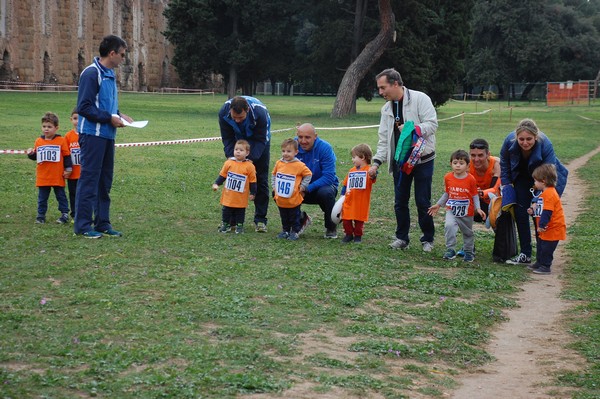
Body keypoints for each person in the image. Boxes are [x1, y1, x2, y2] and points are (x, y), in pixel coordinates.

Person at [369, 68, 438, 252]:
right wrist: (376, 163)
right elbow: (384, 138)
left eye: (383, 88)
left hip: (422, 159)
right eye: (379, 88)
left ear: (396, 84)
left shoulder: (420, 99)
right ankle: (402, 238)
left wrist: (411, 129)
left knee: (423, 201)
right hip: (400, 162)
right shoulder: (386, 109)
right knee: (400, 201)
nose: (381, 92)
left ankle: (427, 239)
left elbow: (432, 124)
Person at [74, 34, 133, 239]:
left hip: (108, 136)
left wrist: (120, 114)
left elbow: (106, 104)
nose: (123, 59)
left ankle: (102, 223)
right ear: (112, 53)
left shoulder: (109, 74)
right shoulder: (91, 74)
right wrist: (110, 117)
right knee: (89, 179)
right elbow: (84, 107)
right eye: (122, 55)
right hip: (92, 136)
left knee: (104, 181)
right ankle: (82, 225)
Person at [500, 118, 568, 265]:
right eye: (521, 139)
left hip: (542, 180)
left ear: (535, 137)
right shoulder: (509, 141)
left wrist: (539, 196)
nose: (525, 143)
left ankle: (542, 254)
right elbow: (504, 162)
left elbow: (550, 170)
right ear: (516, 137)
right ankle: (525, 253)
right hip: (521, 178)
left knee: (538, 214)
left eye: (529, 139)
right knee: (520, 213)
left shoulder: (545, 144)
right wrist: (506, 184)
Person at [218, 96, 271, 233]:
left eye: (240, 118)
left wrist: (250, 160)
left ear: (247, 110)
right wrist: (233, 159)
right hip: (238, 140)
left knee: (261, 179)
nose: (237, 120)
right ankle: (232, 220)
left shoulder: (260, 113)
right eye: (234, 117)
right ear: (230, 110)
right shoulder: (223, 112)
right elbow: (227, 138)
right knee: (235, 177)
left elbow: (261, 140)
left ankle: (260, 220)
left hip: (259, 141)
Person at [428, 150, 486, 263]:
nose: (458, 165)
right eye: (455, 163)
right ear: (451, 164)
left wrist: (478, 208)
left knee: (467, 232)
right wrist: (438, 204)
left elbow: (474, 195)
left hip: (466, 211)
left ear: (468, 166)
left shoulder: (471, 179)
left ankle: (469, 252)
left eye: (461, 163)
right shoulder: (448, 177)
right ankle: (450, 249)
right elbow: (447, 193)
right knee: (449, 226)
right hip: (451, 209)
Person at [295, 123, 340, 238]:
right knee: (278, 192)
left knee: (326, 193)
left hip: (321, 187)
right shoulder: (293, 146)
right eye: (300, 137)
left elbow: (329, 177)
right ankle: (300, 219)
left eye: (307, 137)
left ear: (315, 136)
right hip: (300, 187)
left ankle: (331, 227)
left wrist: (308, 188)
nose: (303, 141)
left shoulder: (325, 148)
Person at [26, 112, 72, 224]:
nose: (46, 129)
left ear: (56, 128)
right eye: (44, 126)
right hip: (43, 176)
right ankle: (41, 215)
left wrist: (68, 169)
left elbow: (66, 155)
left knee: (61, 196)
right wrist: (30, 154)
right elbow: (36, 156)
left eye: (49, 127)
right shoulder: (39, 141)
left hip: (57, 175)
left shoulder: (61, 140)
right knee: (42, 198)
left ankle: (64, 214)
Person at [526, 164, 566, 275]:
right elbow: (541, 208)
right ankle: (539, 262)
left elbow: (548, 212)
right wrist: (532, 211)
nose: (534, 183)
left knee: (546, 248)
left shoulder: (549, 194)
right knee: (541, 245)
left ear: (543, 181)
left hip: (552, 228)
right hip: (546, 228)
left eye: (535, 181)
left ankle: (545, 266)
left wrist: (542, 225)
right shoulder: (545, 193)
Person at [212, 139, 257, 234]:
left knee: (240, 211)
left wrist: (253, 193)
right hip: (229, 194)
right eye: (236, 149)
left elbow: (253, 181)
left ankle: (239, 226)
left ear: (247, 153)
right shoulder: (228, 163)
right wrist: (216, 183)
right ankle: (226, 224)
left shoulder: (250, 166)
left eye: (241, 150)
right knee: (226, 210)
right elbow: (223, 175)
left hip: (241, 195)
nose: (238, 152)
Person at [271, 138, 312, 241]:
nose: (285, 154)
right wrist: (274, 186)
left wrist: (302, 187)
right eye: (283, 151)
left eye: (289, 151)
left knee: (294, 216)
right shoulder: (279, 163)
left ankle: (295, 231)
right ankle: (285, 230)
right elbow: (274, 174)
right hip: (281, 197)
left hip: (294, 198)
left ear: (296, 152)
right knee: (284, 215)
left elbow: (308, 174)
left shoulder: (299, 165)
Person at [340, 143, 376, 244]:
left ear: (362, 157)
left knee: (359, 221)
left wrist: (373, 175)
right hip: (349, 200)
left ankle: (358, 235)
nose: (352, 160)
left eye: (354, 157)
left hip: (361, 202)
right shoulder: (351, 171)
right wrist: (342, 196)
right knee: (346, 219)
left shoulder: (369, 170)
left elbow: (373, 178)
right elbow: (345, 184)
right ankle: (348, 234)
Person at [468, 138, 500, 222]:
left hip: (493, 200)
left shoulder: (495, 165)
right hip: (475, 200)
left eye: (480, 155)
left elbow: (495, 189)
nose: (476, 159)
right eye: (473, 155)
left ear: (488, 154)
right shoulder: (467, 165)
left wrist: (481, 193)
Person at [64, 108, 80, 219]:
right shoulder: (68, 136)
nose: (77, 121)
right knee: (73, 194)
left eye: (80, 119)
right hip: (72, 173)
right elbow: (65, 154)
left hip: (84, 173)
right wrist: (66, 169)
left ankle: (85, 214)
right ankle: (74, 214)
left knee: (85, 195)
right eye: (75, 118)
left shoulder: (87, 134)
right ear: (71, 120)